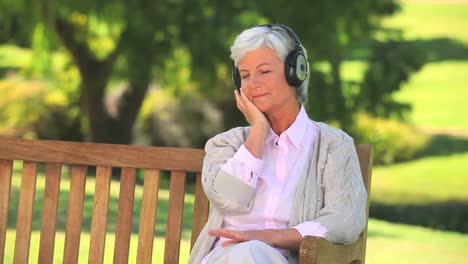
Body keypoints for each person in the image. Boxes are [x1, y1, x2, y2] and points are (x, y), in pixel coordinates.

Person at [188, 24, 367, 264]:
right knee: (246, 254)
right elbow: (229, 200)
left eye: (264, 72)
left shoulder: (333, 145)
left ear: (296, 71)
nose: (252, 84)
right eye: (245, 75)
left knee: (251, 252)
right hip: (227, 258)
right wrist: (259, 132)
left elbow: (345, 220)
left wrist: (272, 237)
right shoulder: (225, 145)